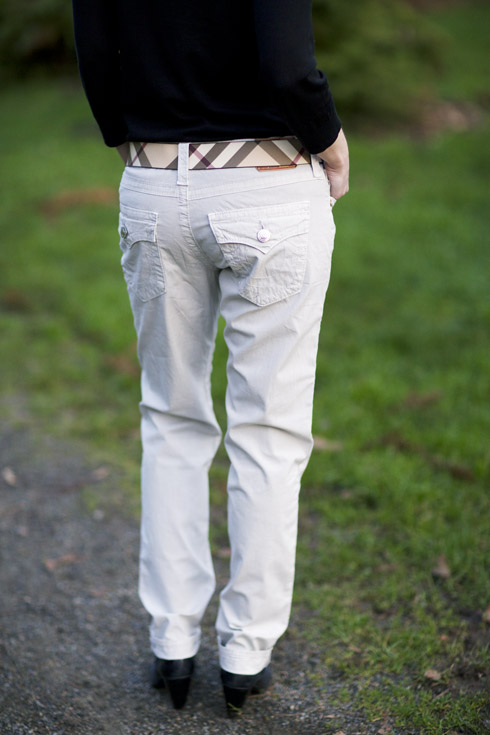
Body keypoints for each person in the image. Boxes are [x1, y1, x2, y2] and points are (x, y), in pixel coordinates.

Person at [72, 0, 349, 718]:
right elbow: (287, 64)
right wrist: (330, 137)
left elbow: (97, 54)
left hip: (153, 178)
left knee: (171, 415)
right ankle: (245, 650)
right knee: (268, 426)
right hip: (267, 179)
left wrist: (137, 138)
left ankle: (172, 638)